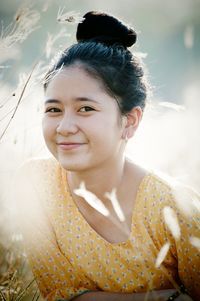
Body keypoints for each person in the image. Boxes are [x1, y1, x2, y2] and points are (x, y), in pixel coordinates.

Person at [16, 11, 200, 301]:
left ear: (130, 121)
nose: (64, 127)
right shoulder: (37, 185)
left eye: (85, 108)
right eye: (53, 109)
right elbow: (59, 294)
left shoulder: (174, 209)